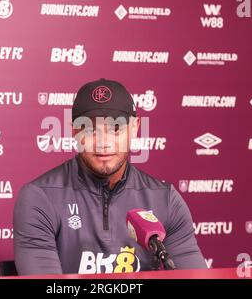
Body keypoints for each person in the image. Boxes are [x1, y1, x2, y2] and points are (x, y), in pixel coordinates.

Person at [13, 78, 206, 275]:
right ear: (74, 131)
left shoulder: (165, 200)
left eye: (116, 129)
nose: (103, 143)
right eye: (90, 129)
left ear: (134, 128)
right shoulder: (40, 197)